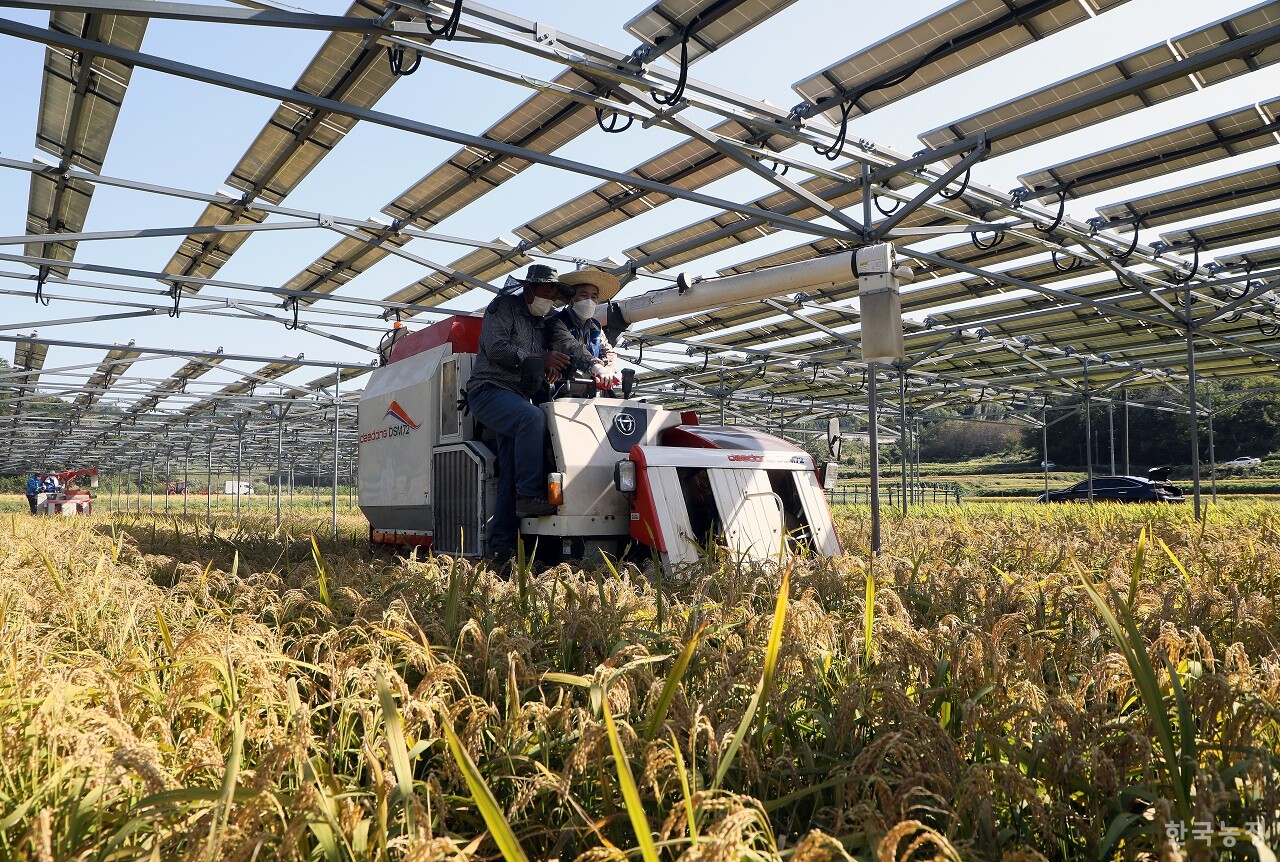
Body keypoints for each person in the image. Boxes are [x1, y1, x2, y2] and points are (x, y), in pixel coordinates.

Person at [466, 263, 611, 564]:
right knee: (532, 418)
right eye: (545, 291)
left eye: (554, 293)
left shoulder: (541, 323)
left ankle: (501, 546)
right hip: (489, 390)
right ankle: (529, 495)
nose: (549, 298)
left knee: (508, 470)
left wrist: (549, 367)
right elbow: (496, 348)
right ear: (529, 289)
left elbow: (560, 351)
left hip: (517, 397)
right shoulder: (502, 308)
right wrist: (537, 358)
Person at [553, 268, 622, 397]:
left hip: (591, 393)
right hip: (562, 392)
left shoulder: (595, 326)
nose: (589, 300)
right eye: (583, 295)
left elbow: (607, 350)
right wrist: (597, 367)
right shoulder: (557, 322)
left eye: (593, 296)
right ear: (571, 298)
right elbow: (572, 347)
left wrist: (609, 370)